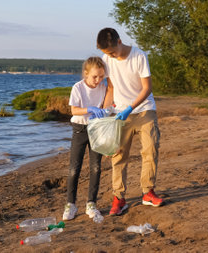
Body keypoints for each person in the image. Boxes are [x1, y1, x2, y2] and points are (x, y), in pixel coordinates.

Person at [97, 27, 163, 216]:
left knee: (150, 149)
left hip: (144, 110)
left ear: (119, 42)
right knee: (118, 155)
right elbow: (110, 88)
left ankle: (148, 192)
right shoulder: (106, 59)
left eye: (111, 51)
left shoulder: (139, 56)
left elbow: (147, 88)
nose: (109, 56)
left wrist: (130, 108)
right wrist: (105, 114)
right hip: (119, 114)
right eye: (105, 53)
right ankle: (119, 198)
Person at [62, 56, 107, 221]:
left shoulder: (103, 88)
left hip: (96, 130)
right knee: (74, 168)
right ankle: (71, 205)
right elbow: (74, 110)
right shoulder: (78, 88)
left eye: (101, 76)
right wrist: (89, 108)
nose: (98, 80)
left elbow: (105, 106)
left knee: (96, 168)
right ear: (86, 74)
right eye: (95, 76)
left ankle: (91, 204)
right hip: (80, 130)